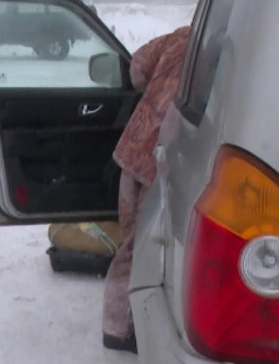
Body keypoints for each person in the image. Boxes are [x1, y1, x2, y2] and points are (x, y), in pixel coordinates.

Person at [101, 25, 191, 353]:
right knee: (140, 248)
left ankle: (119, 324)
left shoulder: (179, 35)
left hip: (133, 146)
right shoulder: (228, 49)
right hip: (163, 159)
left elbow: (137, 68)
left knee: (131, 241)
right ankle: (120, 329)